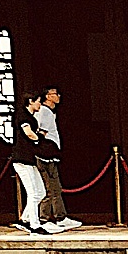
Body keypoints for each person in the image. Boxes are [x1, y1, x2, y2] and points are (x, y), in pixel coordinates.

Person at [35, 84, 82, 232]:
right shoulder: (45, 112)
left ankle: (59, 216)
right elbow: (40, 133)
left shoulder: (48, 112)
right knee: (49, 188)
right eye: (55, 94)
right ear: (48, 96)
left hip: (50, 154)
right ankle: (45, 218)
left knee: (55, 187)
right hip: (45, 155)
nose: (58, 96)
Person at [11, 95, 49, 235]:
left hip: (29, 160)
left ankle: (25, 219)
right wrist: (39, 138)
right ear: (30, 102)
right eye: (38, 101)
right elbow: (28, 133)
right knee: (33, 192)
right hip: (22, 160)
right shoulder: (22, 116)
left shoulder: (31, 117)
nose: (40, 104)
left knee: (41, 192)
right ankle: (34, 224)